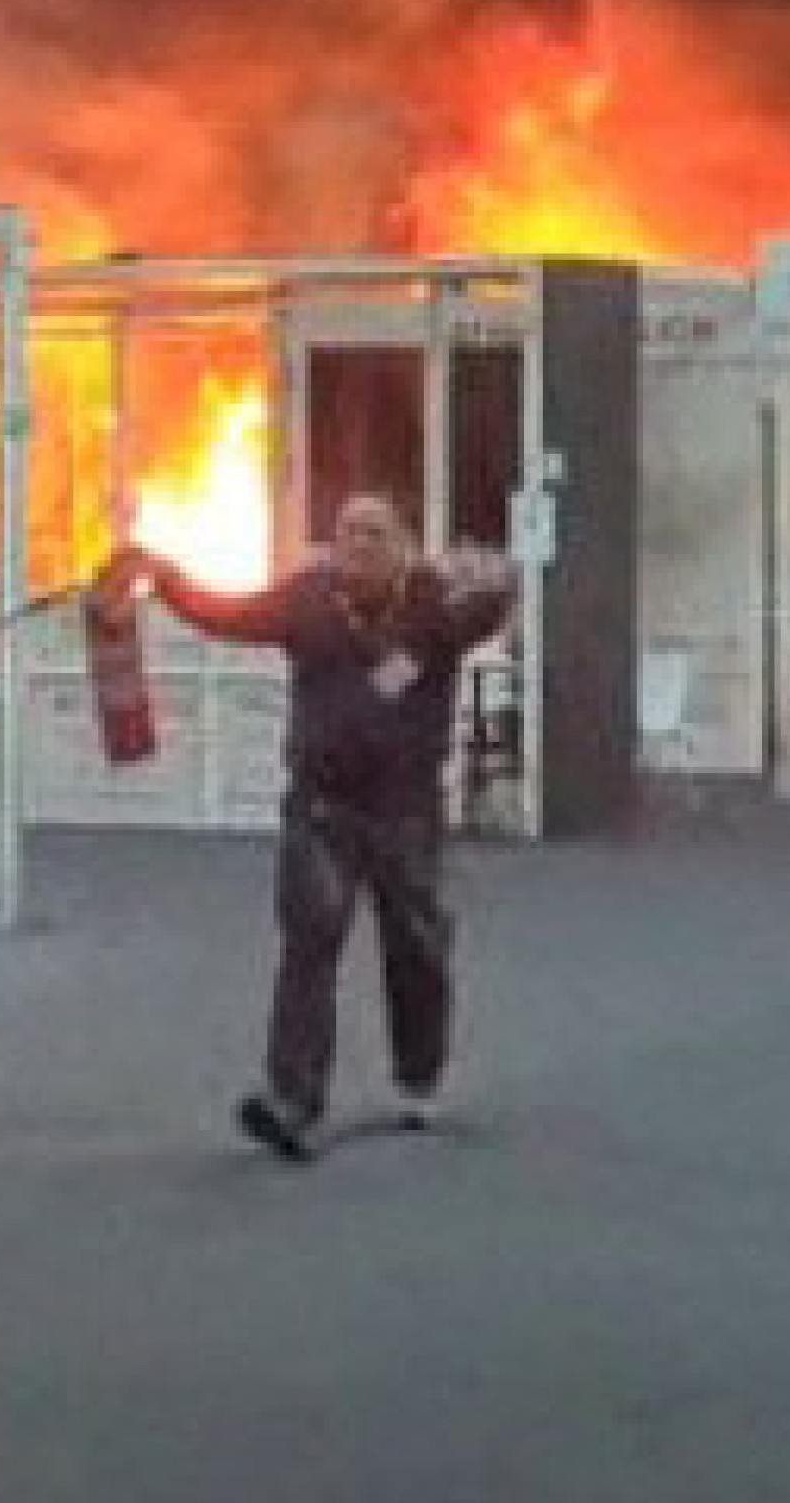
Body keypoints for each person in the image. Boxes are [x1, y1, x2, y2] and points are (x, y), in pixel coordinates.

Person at [109, 494, 516, 1162]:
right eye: (346, 531)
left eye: (373, 532)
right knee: (309, 946)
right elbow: (229, 615)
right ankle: (291, 1101)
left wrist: (496, 574)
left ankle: (418, 1076)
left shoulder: (435, 607)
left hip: (405, 809)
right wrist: (166, 579)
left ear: (405, 546)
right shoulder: (308, 600)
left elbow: (494, 605)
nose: (355, 543)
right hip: (322, 806)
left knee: (416, 946)